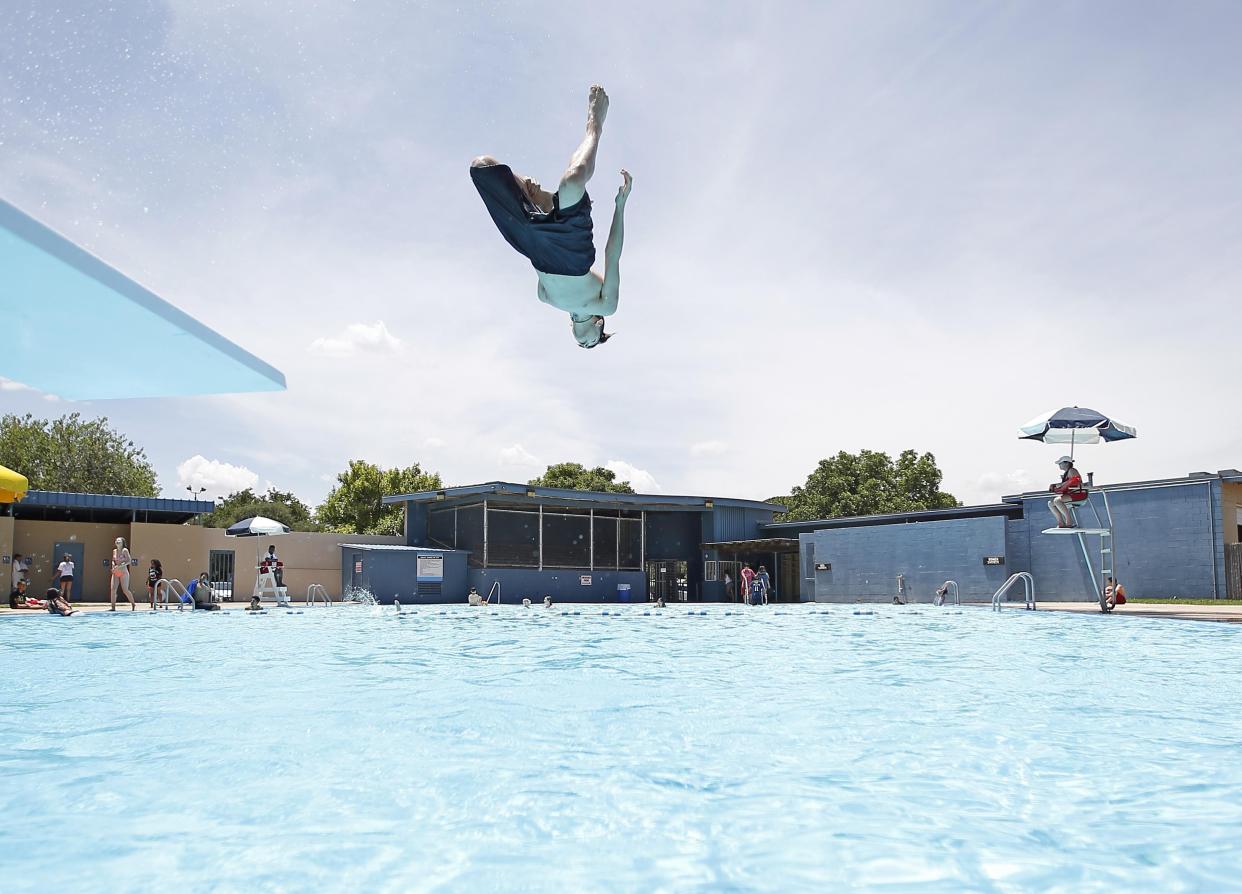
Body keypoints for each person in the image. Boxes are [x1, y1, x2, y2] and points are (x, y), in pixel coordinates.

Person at [470, 85, 632, 349]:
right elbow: (612, 254)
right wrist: (620, 206)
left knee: (482, 166)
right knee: (572, 180)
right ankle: (595, 126)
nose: (584, 343)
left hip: (535, 246)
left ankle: (532, 189)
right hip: (573, 253)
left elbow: (542, 241)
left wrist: (532, 196)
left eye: (582, 346)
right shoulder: (606, 305)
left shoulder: (545, 297)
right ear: (599, 325)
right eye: (591, 343)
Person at [1048, 456, 1088, 528]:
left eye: (1060, 463)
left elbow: (1075, 480)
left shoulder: (1072, 470)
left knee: (1057, 501)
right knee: (1051, 503)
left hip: (1078, 494)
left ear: (1066, 463)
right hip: (1071, 494)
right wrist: (1056, 486)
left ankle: (1069, 522)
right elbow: (1067, 483)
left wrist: (1060, 485)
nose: (1059, 465)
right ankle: (1061, 523)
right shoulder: (1066, 474)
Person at [109, 537, 137, 611]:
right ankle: (113, 607)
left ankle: (133, 604)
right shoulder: (114, 551)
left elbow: (129, 561)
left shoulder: (125, 550)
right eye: (116, 540)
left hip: (123, 572)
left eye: (119, 541)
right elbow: (113, 560)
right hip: (116, 572)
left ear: (122, 543)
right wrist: (113, 565)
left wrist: (120, 566)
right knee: (113, 589)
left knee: (125, 590)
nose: (117, 542)